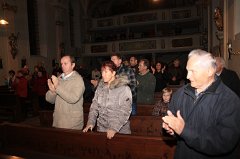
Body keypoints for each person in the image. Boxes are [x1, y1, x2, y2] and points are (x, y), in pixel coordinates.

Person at [162, 49, 240, 158]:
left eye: (193, 71)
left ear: (210, 71)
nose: (188, 76)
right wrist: (170, 130)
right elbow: (172, 122)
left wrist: (184, 130)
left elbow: (223, 143)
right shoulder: (180, 93)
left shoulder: (229, 100)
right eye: (187, 71)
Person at [83, 61, 132, 139]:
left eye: (106, 72)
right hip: (102, 129)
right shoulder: (100, 88)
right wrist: (90, 122)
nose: (103, 74)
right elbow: (94, 107)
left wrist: (114, 128)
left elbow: (125, 111)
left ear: (113, 73)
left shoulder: (123, 88)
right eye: (102, 71)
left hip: (119, 131)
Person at [46, 55, 85, 130]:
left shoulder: (78, 80)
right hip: (58, 120)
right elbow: (49, 100)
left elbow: (73, 98)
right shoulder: (59, 78)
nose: (62, 66)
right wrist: (52, 91)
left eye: (65, 63)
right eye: (61, 64)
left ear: (73, 65)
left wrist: (57, 87)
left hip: (72, 123)